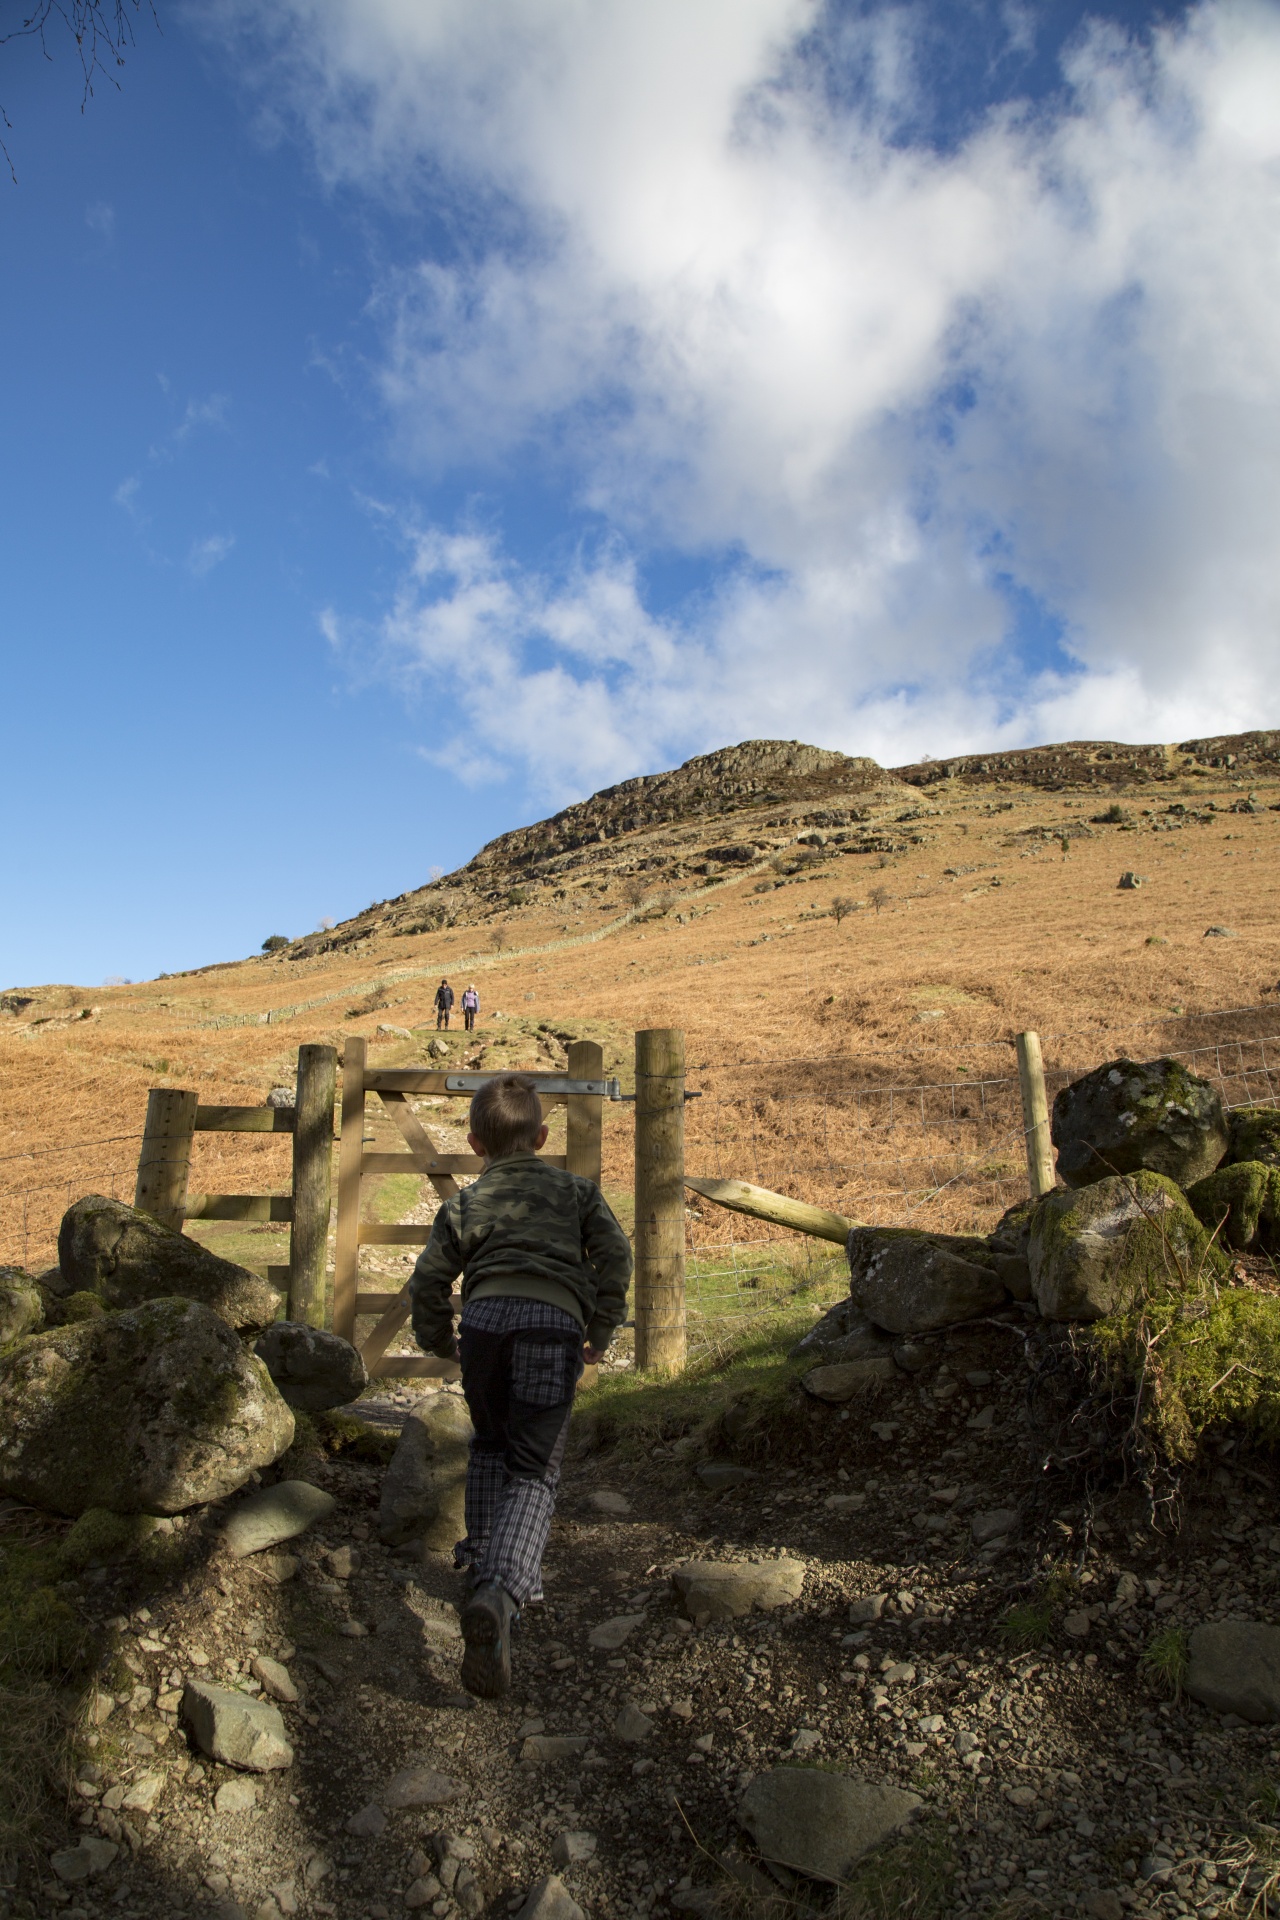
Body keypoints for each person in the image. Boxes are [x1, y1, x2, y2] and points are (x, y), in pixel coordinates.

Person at [409, 1074, 632, 1698]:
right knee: (534, 1470)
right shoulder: (576, 1192)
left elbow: (426, 1283)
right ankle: (503, 1592)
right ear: (540, 1136)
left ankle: (482, 1569)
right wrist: (601, 1328)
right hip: (550, 1326)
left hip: (482, 1327)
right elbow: (616, 1257)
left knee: (488, 1447)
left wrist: (438, 1341)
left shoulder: (463, 1204)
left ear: (476, 1144)